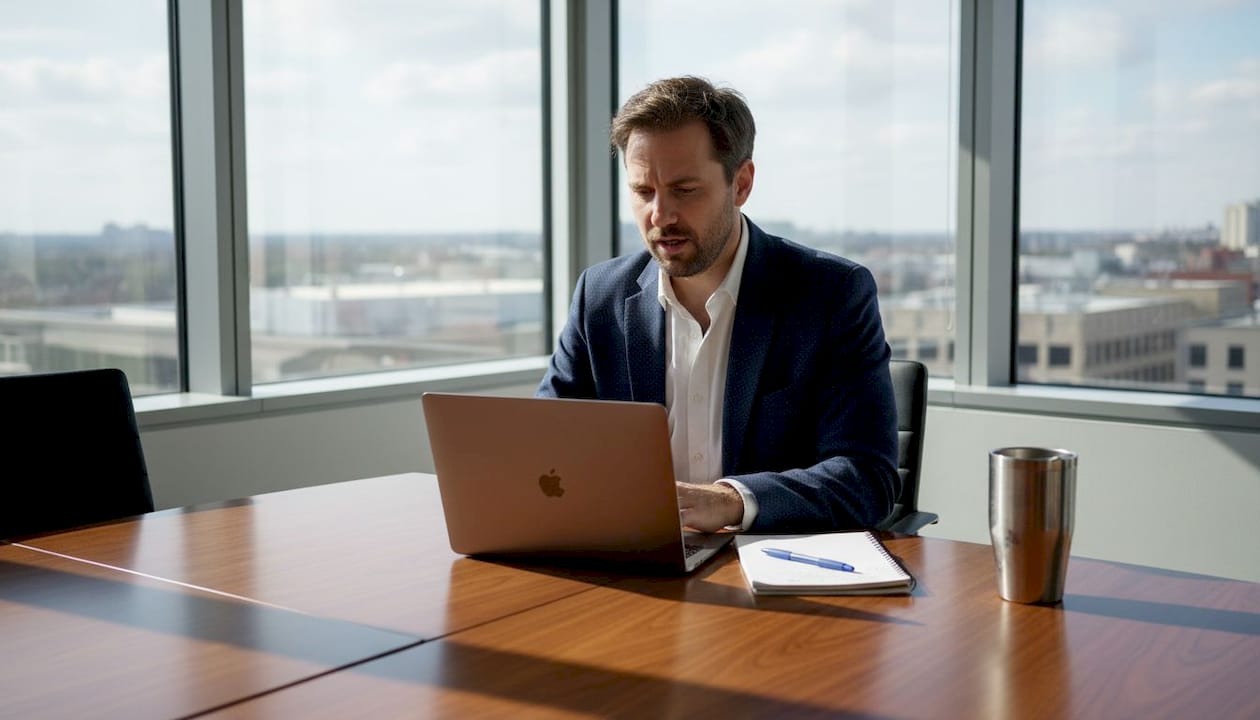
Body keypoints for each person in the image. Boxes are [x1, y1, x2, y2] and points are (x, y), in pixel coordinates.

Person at [537, 76, 898, 534]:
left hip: (770, 573)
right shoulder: (600, 296)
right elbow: (544, 450)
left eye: (684, 190)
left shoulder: (831, 294)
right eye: (643, 191)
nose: (660, 215)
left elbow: (868, 477)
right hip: (633, 562)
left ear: (741, 183)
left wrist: (730, 501)